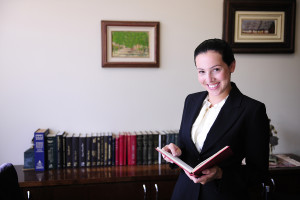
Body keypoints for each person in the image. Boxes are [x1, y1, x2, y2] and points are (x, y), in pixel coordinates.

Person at [162, 38, 270, 200]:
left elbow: (258, 173)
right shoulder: (191, 101)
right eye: (201, 71)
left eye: (216, 69)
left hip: (223, 195)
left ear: (232, 66)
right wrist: (175, 154)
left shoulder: (252, 110)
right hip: (184, 193)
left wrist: (220, 174)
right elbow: (189, 151)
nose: (209, 79)